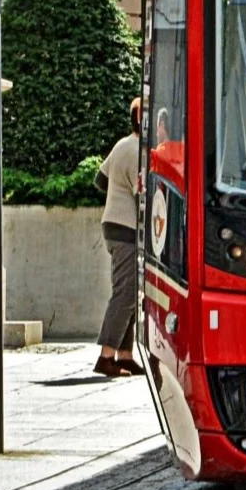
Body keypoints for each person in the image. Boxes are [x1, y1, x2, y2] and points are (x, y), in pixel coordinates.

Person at [94, 97, 144, 378]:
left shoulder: (121, 145)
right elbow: (143, 198)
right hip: (126, 228)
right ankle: (107, 356)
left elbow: (100, 180)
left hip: (113, 225)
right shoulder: (138, 151)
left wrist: (117, 192)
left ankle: (125, 355)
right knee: (125, 293)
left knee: (130, 291)